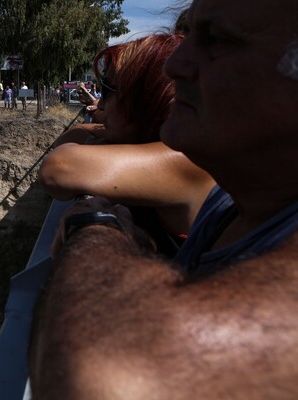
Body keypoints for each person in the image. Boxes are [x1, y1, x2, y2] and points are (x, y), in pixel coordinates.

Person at [29, 1, 298, 399]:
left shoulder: (192, 167)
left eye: (219, 40)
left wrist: (98, 229)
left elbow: (104, 377)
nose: (176, 66)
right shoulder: (237, 200)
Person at [39, 34, 214, 258]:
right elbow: (69, 138)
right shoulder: (162, 144)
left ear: (147, 100)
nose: (100, 104)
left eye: (109, 91)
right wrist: (104, 133)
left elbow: (58, 168)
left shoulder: (185, 156)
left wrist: (101, 139)